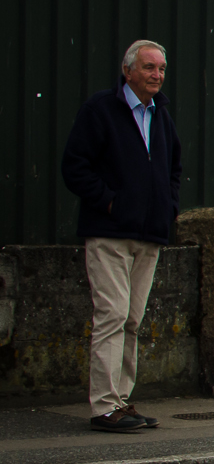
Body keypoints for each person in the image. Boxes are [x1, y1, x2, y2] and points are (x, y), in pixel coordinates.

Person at [60, 41, 183, 433]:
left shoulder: (161, 115)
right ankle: (104, 406)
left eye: (161, 69)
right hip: (110, 232)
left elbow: (174, 167)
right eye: (149, 67)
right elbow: (74, 167)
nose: (157, 75)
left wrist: (168, 207)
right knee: (111, 315)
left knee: (132, 319)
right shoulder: (101, 109)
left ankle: (121, 400)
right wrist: (111, 204)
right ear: (128, 70)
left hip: (149, 234)